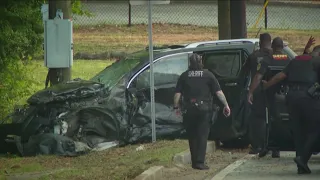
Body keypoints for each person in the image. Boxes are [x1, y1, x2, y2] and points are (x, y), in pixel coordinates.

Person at [262, 45, 320, 174]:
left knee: (298, 131)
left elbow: (280, 76)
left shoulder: (295, 61)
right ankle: (303, 159)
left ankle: (301, 166)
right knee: (315, 129)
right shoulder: (317, 63)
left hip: (292, 98)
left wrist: (267, 85)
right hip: (310, 98)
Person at [173, 53, 231, 170]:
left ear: (190, 63)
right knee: (202, 135)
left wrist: (176, 108)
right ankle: (200, 162)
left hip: (189, 110)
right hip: (204, 110)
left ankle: (194, 162)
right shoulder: (208, 75)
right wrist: (226, 105)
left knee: (192, 136)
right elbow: (219, 93)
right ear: (201, 63)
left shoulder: (184, 76)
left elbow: (177, 94)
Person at [257, 37, 290, 158]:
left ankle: (270, 146)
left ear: (272, 46)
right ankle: (276, 147)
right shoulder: (288, 59)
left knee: (269, 121)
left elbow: (259, 76)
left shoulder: (269, 59)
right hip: (286, 95)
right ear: (282, 47)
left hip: (270, 95)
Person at [244, 33, 273, 155]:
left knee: (257, 119)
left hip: (257, 90)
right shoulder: (276, 55)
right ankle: (272, 146)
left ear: (260, 42)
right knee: (272, 118)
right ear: (270, 42)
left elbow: (243, 72)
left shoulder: (253, 56)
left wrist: (249, 91)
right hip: (273, 91)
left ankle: (258, 146)